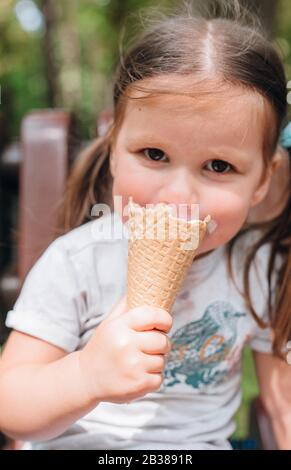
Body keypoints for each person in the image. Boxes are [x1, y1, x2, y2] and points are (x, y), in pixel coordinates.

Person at [0, 0, 291, 450]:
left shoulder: (257, 270)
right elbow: (11, 406)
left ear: (262, 180)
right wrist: (85, 374)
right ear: (115, 146)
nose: (177, 196)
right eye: (154, 155)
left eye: (218, 166)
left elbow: (280, 405)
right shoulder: (79, 263)